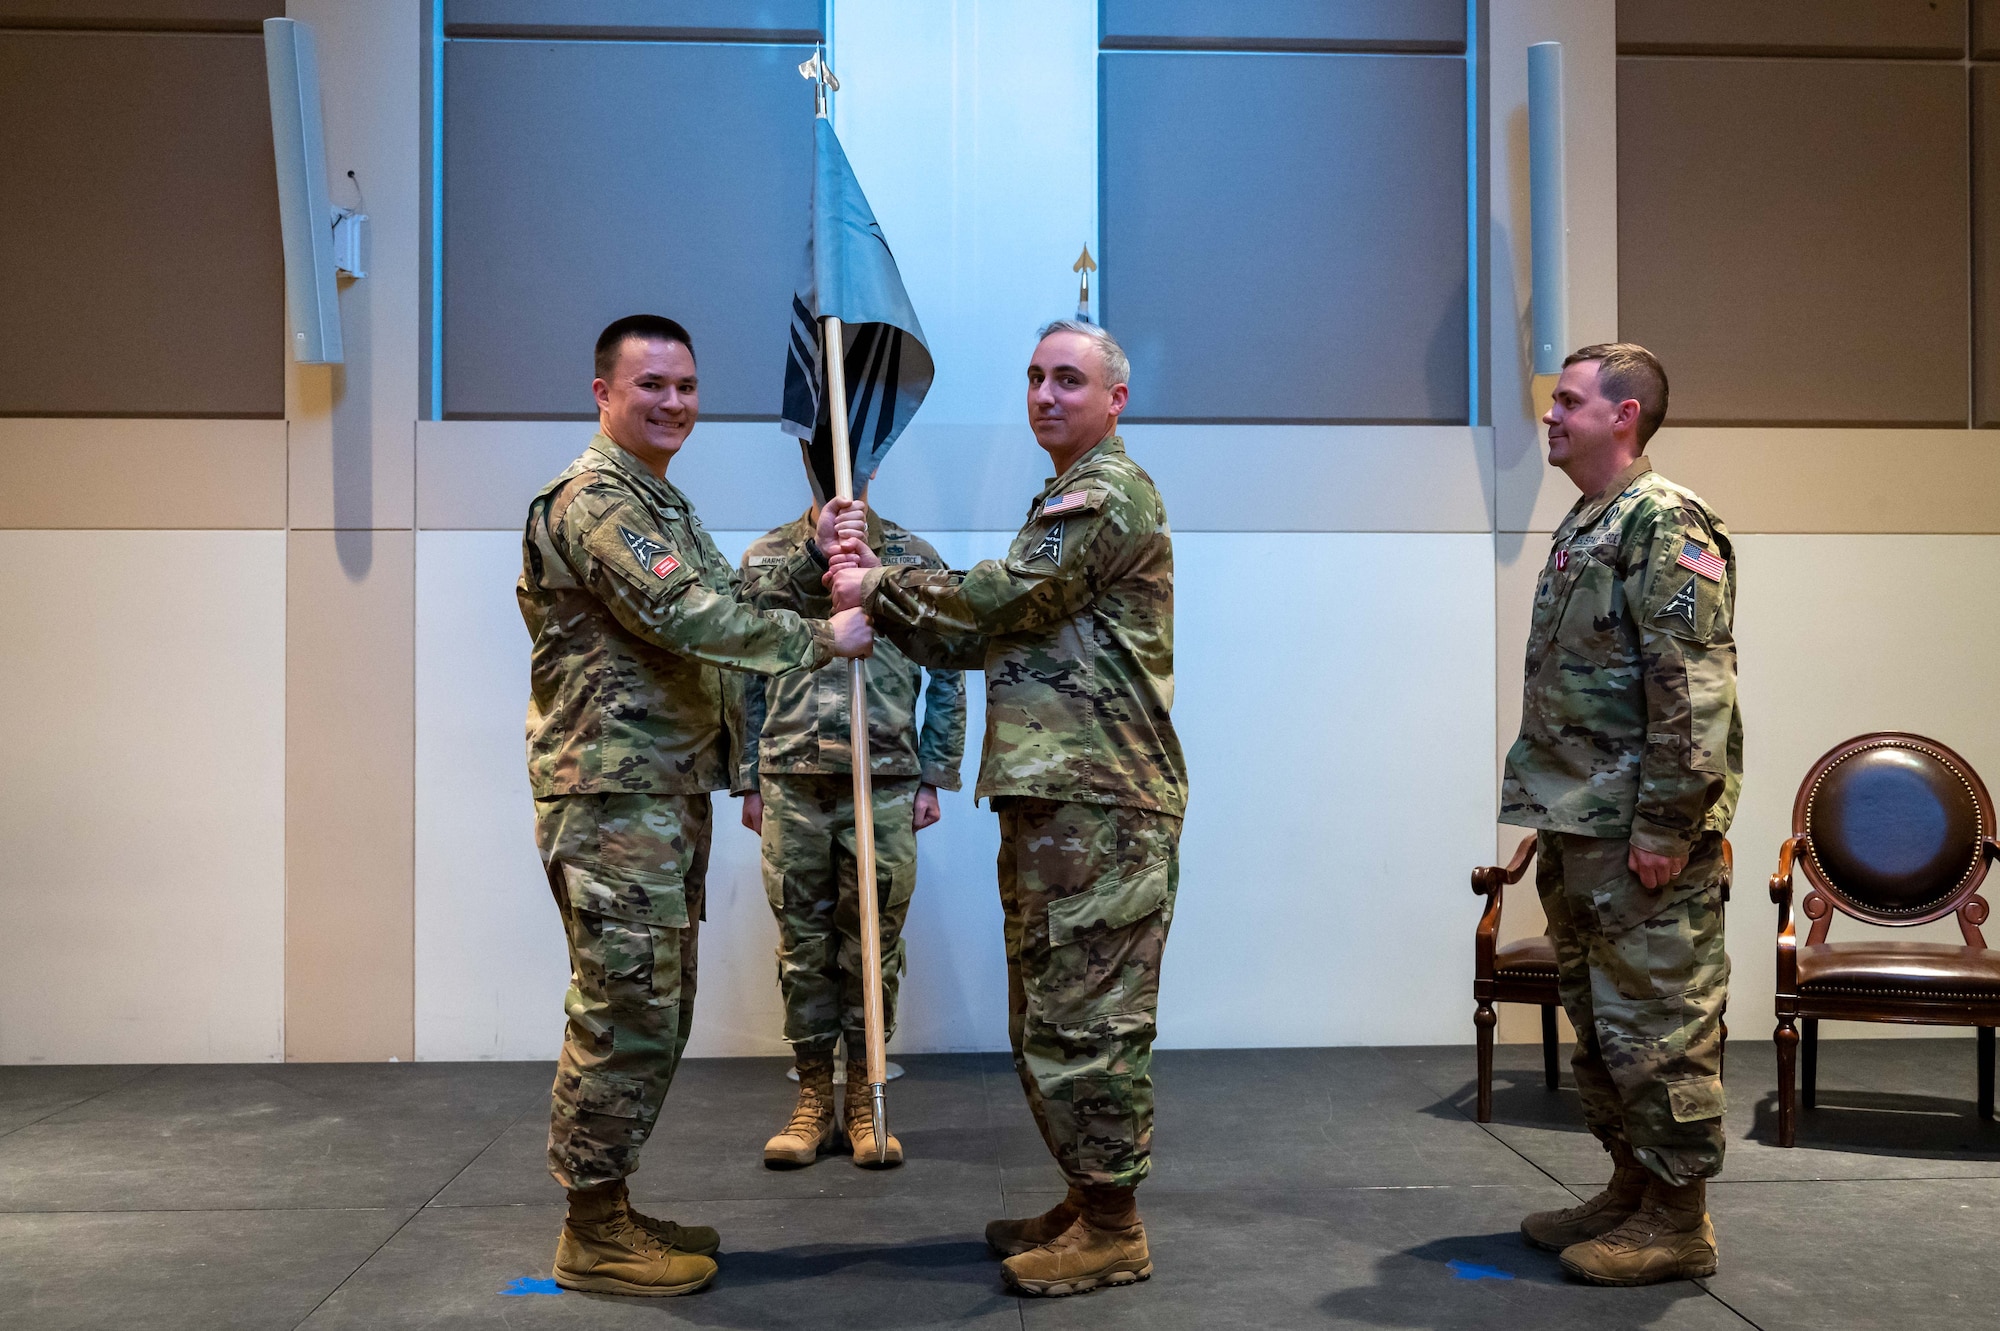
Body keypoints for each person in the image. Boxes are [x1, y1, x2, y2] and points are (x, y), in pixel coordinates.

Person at [817, 319, 1186, 1297]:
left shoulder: (1105, 492)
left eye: (1068, 379)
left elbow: (997, 600)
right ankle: (1084, 1191)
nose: (1043, 394)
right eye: (1032, 377)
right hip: (1052, 796)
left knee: (1089, 1018)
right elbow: (977, 634)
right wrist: (878, 588)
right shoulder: (1058, 498)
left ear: (1115, 399)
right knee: (1047, 1012)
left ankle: (1113, 1224)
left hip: (1100, 799)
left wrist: (879, 586)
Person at [518, 314, 874, 1297]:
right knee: (623, 1006)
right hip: (613, 795)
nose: (673, 402)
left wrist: (809, 551)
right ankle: (590, 1228)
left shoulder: (657, 504)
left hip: (659, 793)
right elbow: (689, 615)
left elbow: (724, 586)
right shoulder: (595, 502)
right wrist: (822, 636)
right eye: (651, 386)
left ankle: (612, 1202)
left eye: (684, 384)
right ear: (603, 394)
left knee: (653, 1006)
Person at [1500, 342, 1742, 1286]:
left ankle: (1680, 1218)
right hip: (1582, 822)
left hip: (1642, 834)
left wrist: (1666, 827)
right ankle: (1633, 1187)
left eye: (1567, 402)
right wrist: (1561, 807)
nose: (1550, 416)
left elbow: (1692, 689)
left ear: (1623, 415)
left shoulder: (1667, 524)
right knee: (1602, 1024)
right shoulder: (1587, 522)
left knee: (1660, 1024)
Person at [736, 492, 966, 1169]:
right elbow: (742, 672)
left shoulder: (912, 559)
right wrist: (748, 775)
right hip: (792, 777)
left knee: (873, 942)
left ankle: (867, 1102)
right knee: (803, 947)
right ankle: (812, 1101)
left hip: (885, 778)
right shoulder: (767, 559)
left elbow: (947, 669)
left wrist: (934, 774)